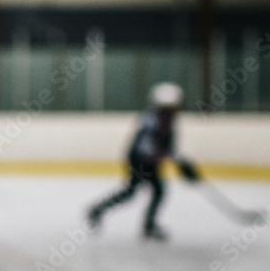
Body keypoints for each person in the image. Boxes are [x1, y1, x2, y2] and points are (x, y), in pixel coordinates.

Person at [86, 82, 201, 240]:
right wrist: (170, 158)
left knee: (135, 191)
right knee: (148, 191)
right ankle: (146, 225)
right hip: (140, 161)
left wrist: (179, 161)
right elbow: (146, 147)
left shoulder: (167, 121)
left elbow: (168, 146)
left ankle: (98, 210)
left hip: (147, 161)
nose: (174, 111)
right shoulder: (152, 120)